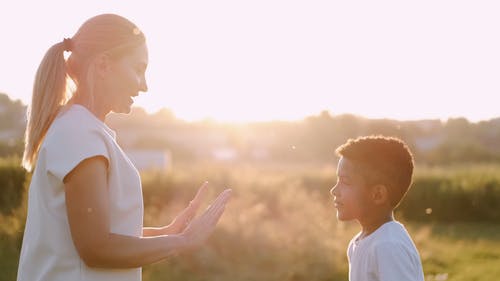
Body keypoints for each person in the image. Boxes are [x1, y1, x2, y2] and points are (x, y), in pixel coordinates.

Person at [17, 13, 231, 281]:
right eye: (138, 69)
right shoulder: (79, 133)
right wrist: (184, 242)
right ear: (104, 65)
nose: (144, 85)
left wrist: (168, 233)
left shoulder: (80, 129)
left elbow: (97, 232)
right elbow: (96, 248)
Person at [330, 136, 424, 281]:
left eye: (345, 181)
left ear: (378, 195)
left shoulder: (388, 246)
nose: (334, 190)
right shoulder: (358, 244)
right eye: (338, 180)